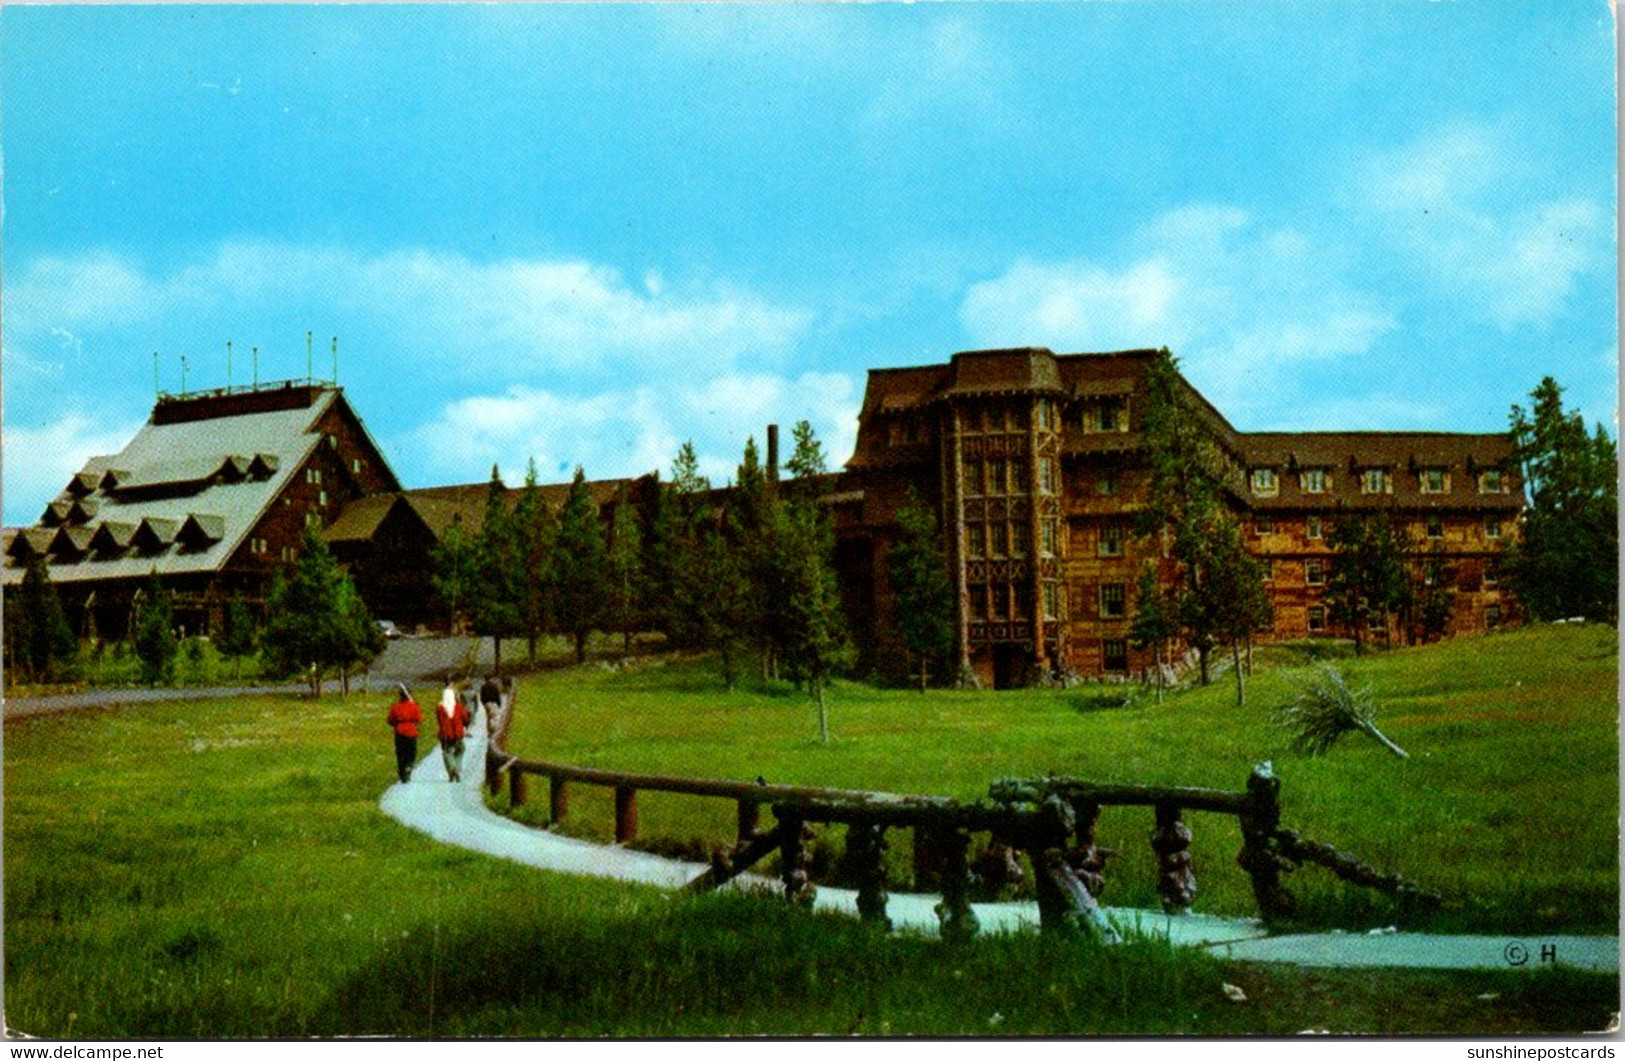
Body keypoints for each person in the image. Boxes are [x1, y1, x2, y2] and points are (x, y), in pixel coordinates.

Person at [385, 683, 422, 784]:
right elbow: (419, 719)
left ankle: (402, 773)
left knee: (401, 754)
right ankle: (409, 766)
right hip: (411, 731)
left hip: (399, 731)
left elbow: (389, 720)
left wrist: (396, 723)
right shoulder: (414, 706)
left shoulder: (395, 707)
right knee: (411, 752)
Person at [437, 681, 471, 783]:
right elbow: (465, 719)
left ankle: (452, 769)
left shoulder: (440, 708)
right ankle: (456, 766)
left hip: (446, 734)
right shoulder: (458, 706)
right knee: (461, 749)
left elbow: (439, 720)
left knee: (447, 753)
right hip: (458, 734)